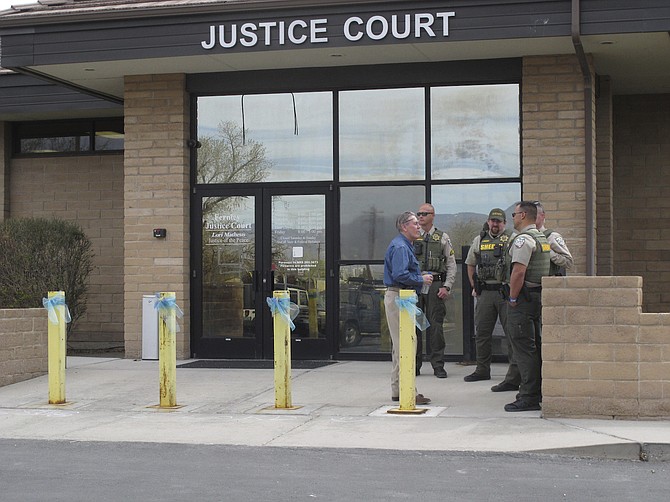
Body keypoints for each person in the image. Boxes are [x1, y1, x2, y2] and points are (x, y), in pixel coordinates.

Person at [501, 201, 550, 412]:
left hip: (523, 300)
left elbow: (519, 272)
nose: (512, 218)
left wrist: (512, 299)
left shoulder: (524, 240)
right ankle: (536, 391)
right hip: (537, 298)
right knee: (534, 347)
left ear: (522, 215)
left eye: (514, 214)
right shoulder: (540, 236)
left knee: (523, 349)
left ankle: (528, 396)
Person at [383, 211, 433, 405]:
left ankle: (399, 389)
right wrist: (421, 279)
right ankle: (408, 391)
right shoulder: (401, 247)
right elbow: (400, 274)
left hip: (404, 297)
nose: (418, 226)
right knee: (406, 345)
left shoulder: (405, 246)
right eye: (414, 223)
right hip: (400, 297)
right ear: (404, 227)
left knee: (401, 345)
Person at [463, 208, 515, 384]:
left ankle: (515, 374)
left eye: (498, 221)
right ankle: (482, 369)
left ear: (504, 223)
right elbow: (470, 264)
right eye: (492, 221)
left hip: (504, 292)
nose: (495, 224)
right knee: (482, 333)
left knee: (512, 333)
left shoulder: (512, 239)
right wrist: (474, 285)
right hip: (485, 292)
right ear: (488, 221)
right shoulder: (479, 240)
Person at [414, 203, 457, 379]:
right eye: (419, 214)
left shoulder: (442, 237)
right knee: (415, 326)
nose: (421, 216)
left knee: (436, 327)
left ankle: (438, 365)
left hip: (435, 287)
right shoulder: (413, 236)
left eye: (425, 213)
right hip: (415, 287)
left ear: (433, 216)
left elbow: (451, 265)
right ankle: (414, 365)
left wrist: (447, 286)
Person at [534, 201, 574, 276]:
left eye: (534, 214)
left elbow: (568, 262)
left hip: (546, 283)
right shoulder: (526, 237)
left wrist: (547, 251)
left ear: (542, 216)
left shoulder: (551, 237)